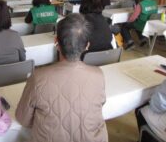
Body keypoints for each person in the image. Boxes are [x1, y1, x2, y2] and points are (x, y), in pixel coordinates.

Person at [16, 14, 108, 142]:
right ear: (87, 45)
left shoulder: (38, 78)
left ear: (56, 42)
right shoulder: (99, 75)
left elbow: (23, 119)